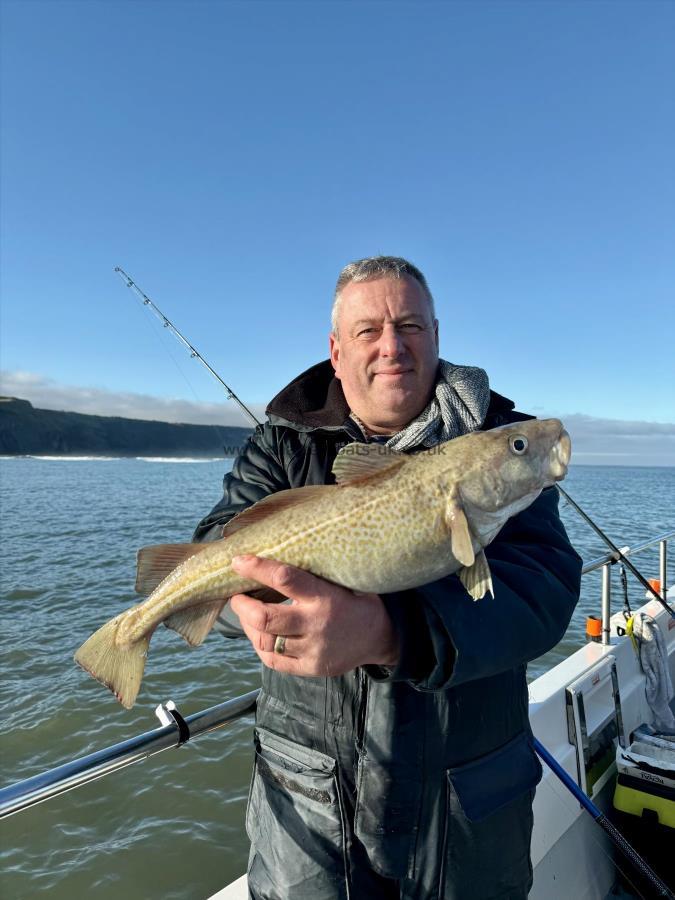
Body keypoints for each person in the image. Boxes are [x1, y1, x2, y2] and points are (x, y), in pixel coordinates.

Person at [193, 256, 582, 900]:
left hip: (469, 804)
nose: (391, 346)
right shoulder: (281, 444)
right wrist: (258, 615)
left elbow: (541, 589)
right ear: (336, 349)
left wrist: (391, 632)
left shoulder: (498, 443)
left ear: (437, 334)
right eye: (369, 330)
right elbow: (218, 544)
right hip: (309, 803)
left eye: (410, 326)